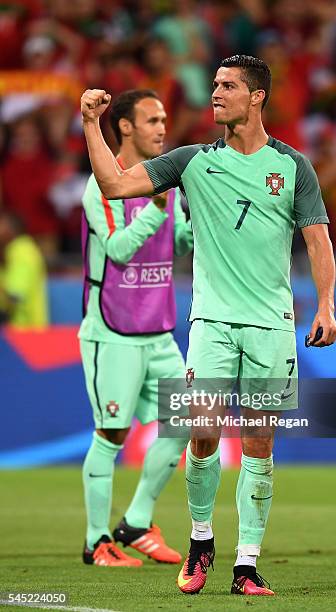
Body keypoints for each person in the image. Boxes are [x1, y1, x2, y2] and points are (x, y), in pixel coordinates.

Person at [80, 55, 336, 594]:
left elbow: (317, 239)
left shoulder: (293, 167)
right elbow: (111, 184)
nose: (216, 94)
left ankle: (246, 564)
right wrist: (90, 123)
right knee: (200, 435)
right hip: (211, 324)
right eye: (216, 85)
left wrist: (326, 305)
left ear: (257, 96)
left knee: (260, 445)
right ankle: (201, 544)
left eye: (228, 86)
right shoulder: (191, 161)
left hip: (271, 327)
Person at [79, 89, 193, 567]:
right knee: (112, 434)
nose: (162, 128)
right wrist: (158, 210)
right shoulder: (101, 188)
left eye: (164, 119)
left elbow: (183, 241)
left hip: (159, 329)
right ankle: (96, 541)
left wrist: (199, 223)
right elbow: (120, 250)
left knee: (191, 418)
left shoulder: (164, 183)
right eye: (152, 120)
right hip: (113, 331)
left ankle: (138, 521)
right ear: (125, 126)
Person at [0, 211, 48, 329]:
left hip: (24, 332)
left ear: (10, 229)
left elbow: (15, 294)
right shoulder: (13, 251)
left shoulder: (22, 251)